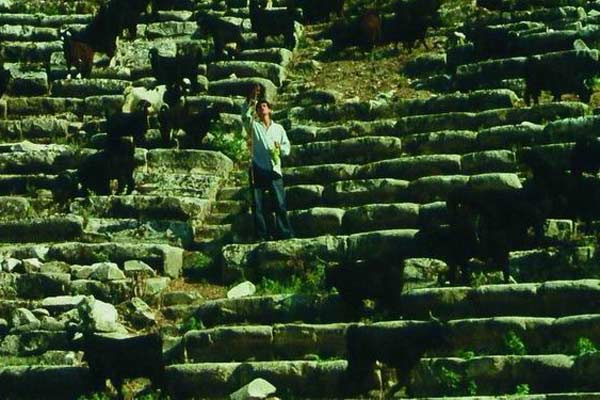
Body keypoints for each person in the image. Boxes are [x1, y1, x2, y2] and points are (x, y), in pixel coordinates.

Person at [241, 85, 294, 241]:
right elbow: (244, 115)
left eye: (264, 106)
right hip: (258, 168)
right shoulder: (254, 127)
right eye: (259, 107)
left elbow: (287, 148)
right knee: (257, 206)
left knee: (280, 203)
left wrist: (280, 149)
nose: (261, 108)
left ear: (270, 110)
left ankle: (284, 233)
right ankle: (261, 235)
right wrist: (250, 100)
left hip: (274, 169)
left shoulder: (278, 128)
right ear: (256, 112)